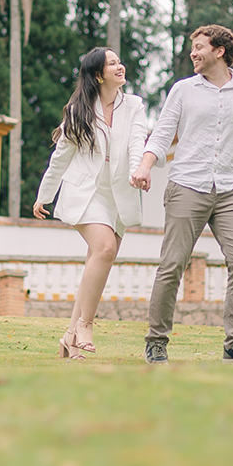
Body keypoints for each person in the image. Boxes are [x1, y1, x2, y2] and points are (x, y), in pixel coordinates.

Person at [130, 25, 233, 364]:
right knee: (171, 266)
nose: (193, 53)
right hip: (187, 186)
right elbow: (162, 133)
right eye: (192, 48)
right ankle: (156, 342)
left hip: (230, 190)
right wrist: (145, 166)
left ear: (220, 51)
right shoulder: (183, 90)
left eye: (199, 47)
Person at [34, 47, 147, 359]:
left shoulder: (135, 106)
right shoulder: (79, 110)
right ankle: (85, 324)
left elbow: (138, 141)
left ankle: (70, 339)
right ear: (99, 75)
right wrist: (44, 195)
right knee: (105, 249)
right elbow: (61, 158)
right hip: (85, 192)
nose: (120, 67)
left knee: (95, 264)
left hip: (118, 194)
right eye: (112, 64)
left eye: (119, 61)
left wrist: (139, 170)